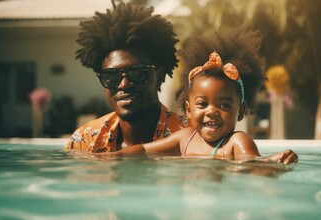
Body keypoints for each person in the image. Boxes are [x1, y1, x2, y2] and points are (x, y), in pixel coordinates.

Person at [116, 30, 298, 164]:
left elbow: (253, 164)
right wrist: (111, 157)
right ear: (188, 109)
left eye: (225, 106)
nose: (212, 111)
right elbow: (144, 149)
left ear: (241, 112)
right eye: (202, 104)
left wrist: (272, 162)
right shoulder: (185, 138)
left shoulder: (235, 142)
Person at [65, 1, 188, 153]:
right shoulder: (85, 140)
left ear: (159, 77)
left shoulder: (191, 138)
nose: (124, 84)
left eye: (137, 73)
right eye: (111, 76)